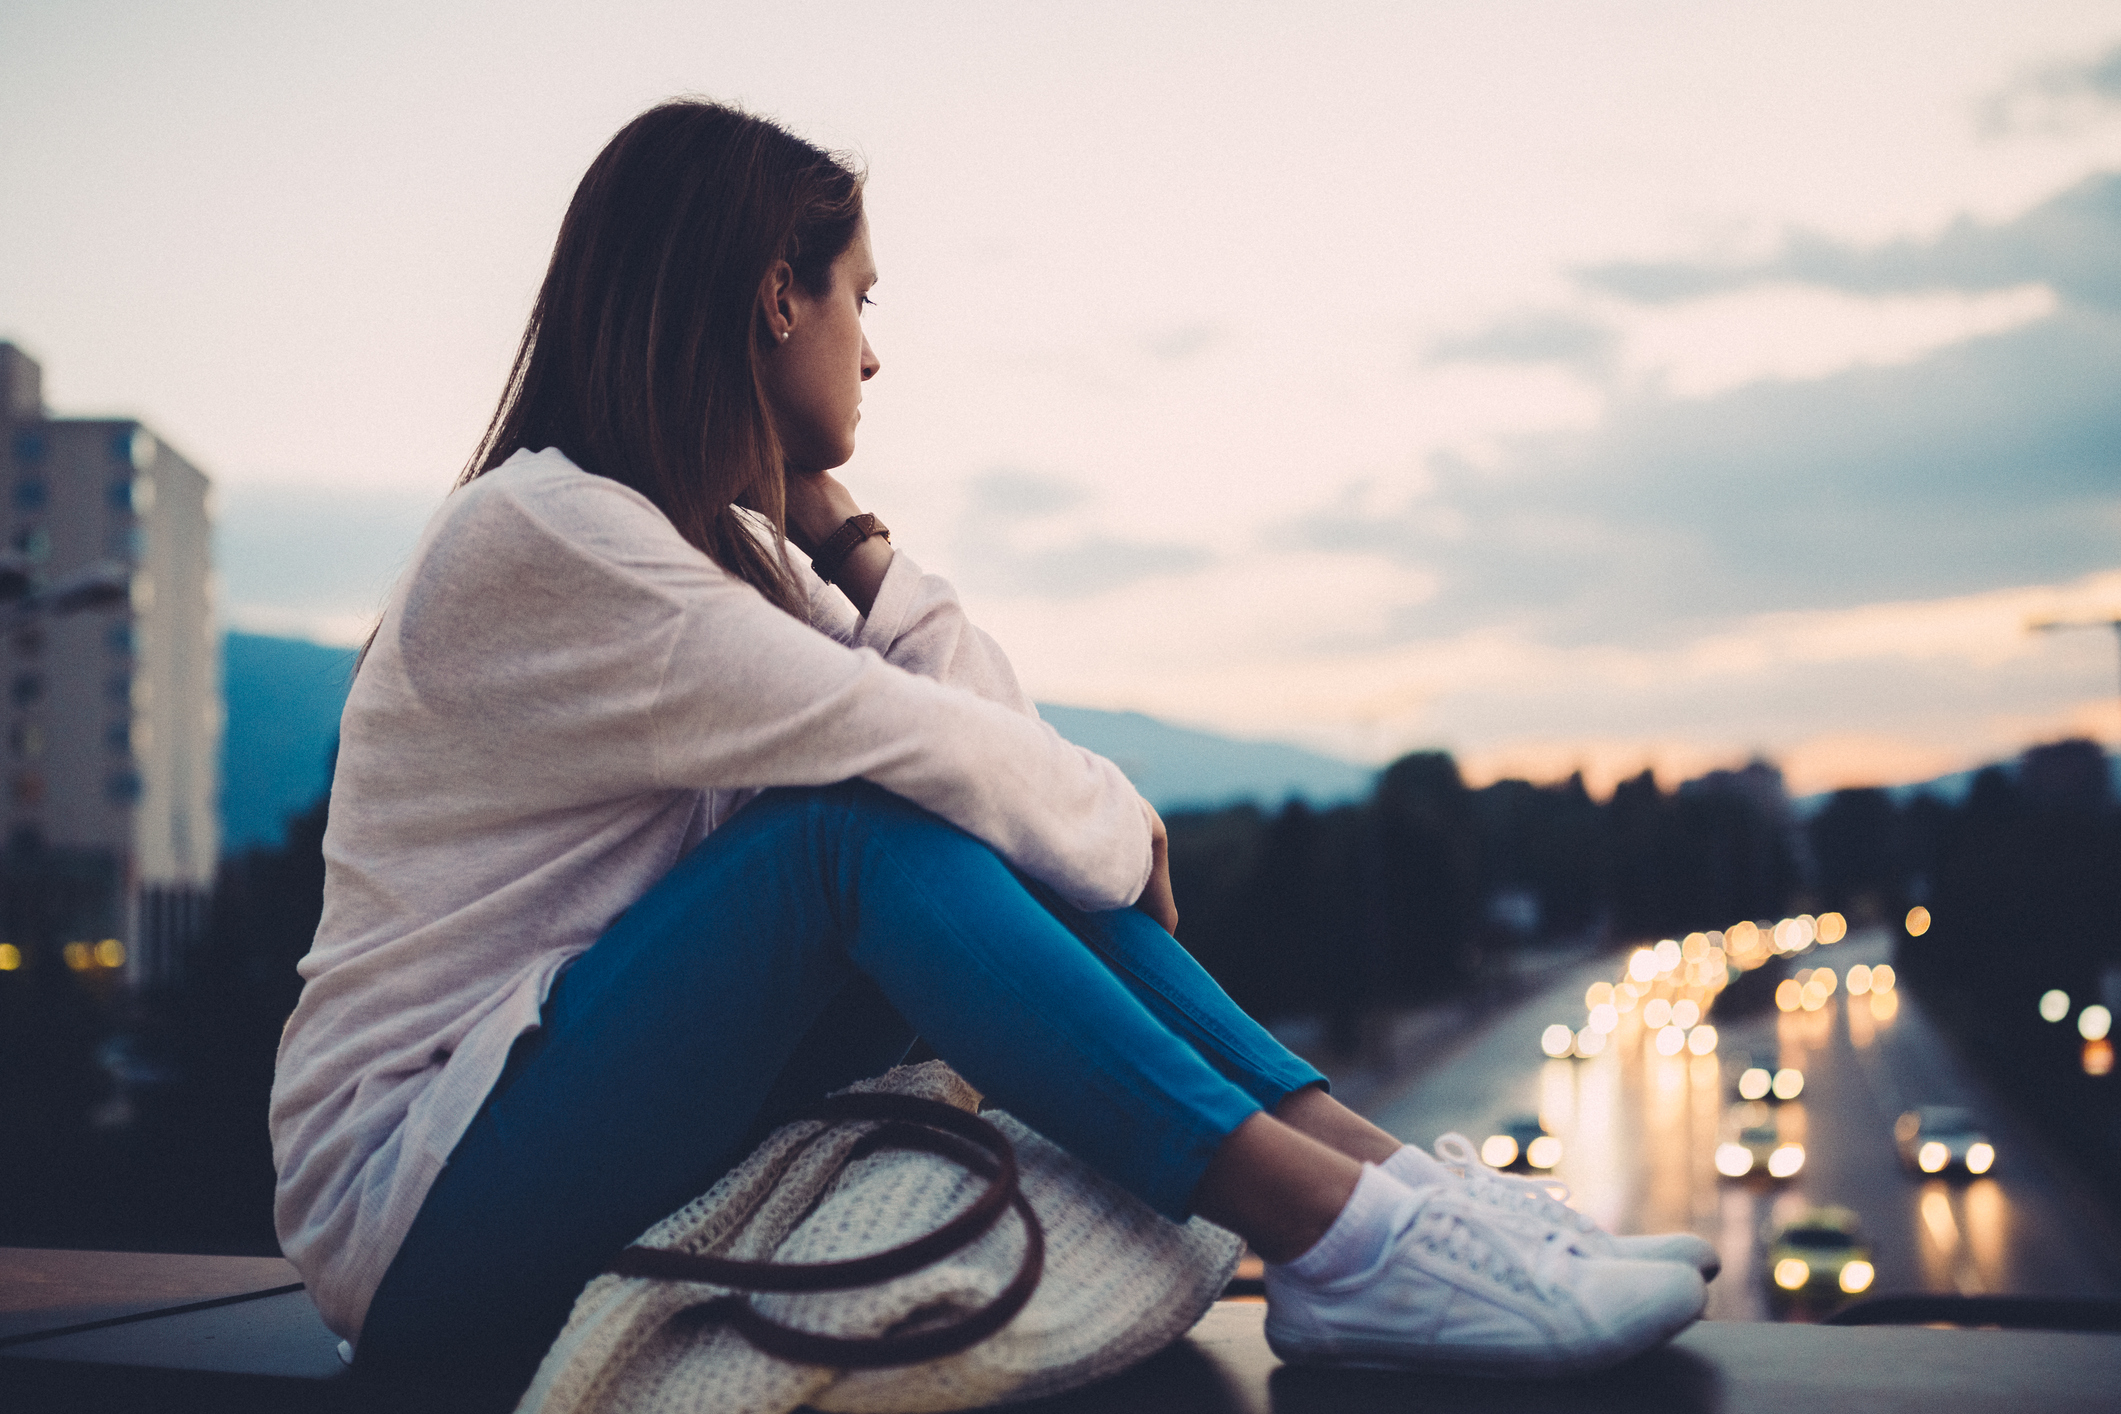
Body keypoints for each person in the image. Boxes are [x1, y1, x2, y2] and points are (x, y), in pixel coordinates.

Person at [268, 98, 1712, 1391]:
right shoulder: (539, 536)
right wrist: (1107, 825)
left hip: (573, 1112)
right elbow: (922, 760)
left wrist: (855, 539)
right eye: (858, 297)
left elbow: (987, 757)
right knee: (846, 833)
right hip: (417, 1205)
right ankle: (1343, 1239)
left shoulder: (718, 564)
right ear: (778, 297)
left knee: (918, 818)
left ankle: (1397, 1203)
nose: (875, 350)